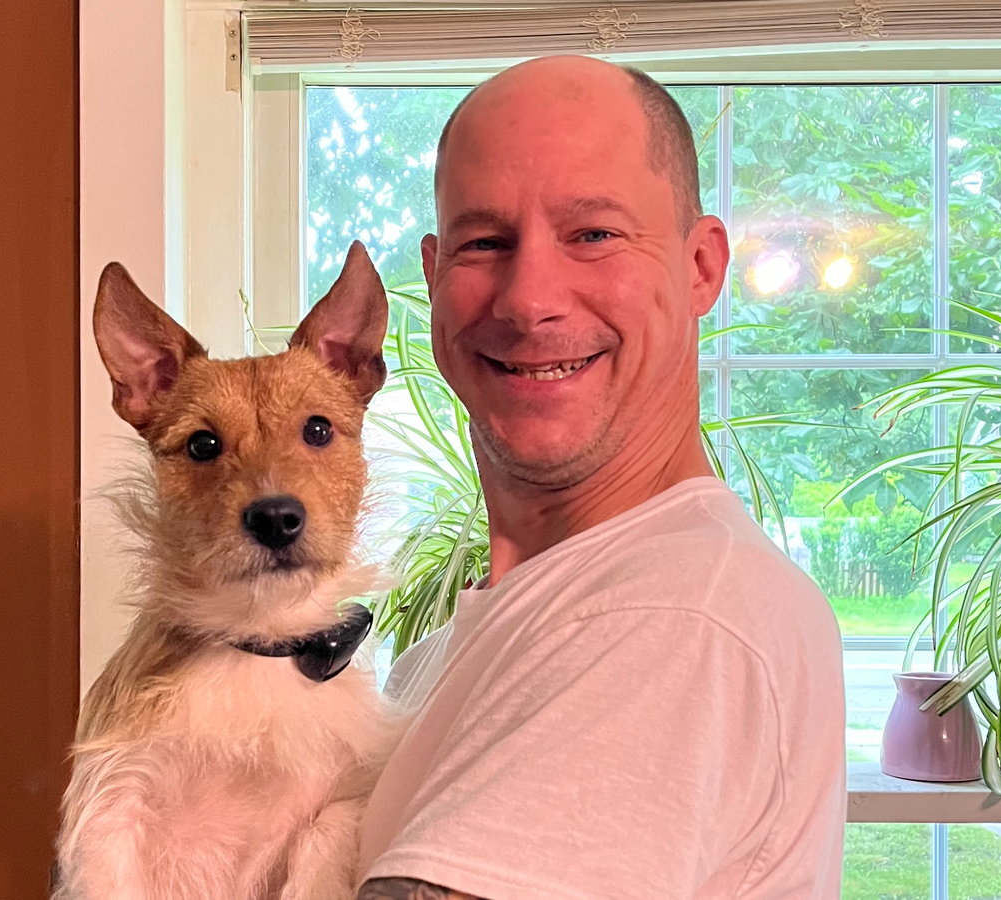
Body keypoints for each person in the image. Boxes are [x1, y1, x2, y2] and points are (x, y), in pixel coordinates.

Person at [354, 57, 847, 900]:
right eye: (484, 243)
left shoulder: (676, 613)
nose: (528, 299)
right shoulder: (474, 637)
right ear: (433, 275)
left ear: (701, 266)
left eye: (594, 235)